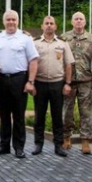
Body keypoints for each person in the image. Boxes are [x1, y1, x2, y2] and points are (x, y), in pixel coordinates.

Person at [0, 10, 38, 158]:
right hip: (1, 80)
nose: (11, 22)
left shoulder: (25, 38)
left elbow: (33, 60)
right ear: (4, 22)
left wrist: (30, 81)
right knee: (3, 115)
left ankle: (19, 147)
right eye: (8, 20)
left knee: (18, 116)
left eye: (13, 20)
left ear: (18, 21)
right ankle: (3, 146)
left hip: (19, 80)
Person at [32, 15, 75, 157]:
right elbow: (30, 64)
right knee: (39, 116)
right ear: (42, 26)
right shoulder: (35, 43)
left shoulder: (62, 44)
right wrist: (31, 82)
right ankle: (38, 144)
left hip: (57, 83)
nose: (49, 25)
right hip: (40, 83)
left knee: (57, 116)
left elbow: (68, 64)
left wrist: (68, 83)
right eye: (46, 23)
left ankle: (59, 145)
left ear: (56, 27)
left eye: (52, 23)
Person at [60, 12, 92, 154]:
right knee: (67, 111)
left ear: (85, 22)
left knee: (86, 112)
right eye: (76, 19)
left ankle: (85, 141)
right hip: (69, 81)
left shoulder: (91, 39)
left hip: (85, 81)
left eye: (81, 19)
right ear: (71, 21)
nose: (78, 21)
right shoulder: (65, 38)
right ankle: (66, 138)